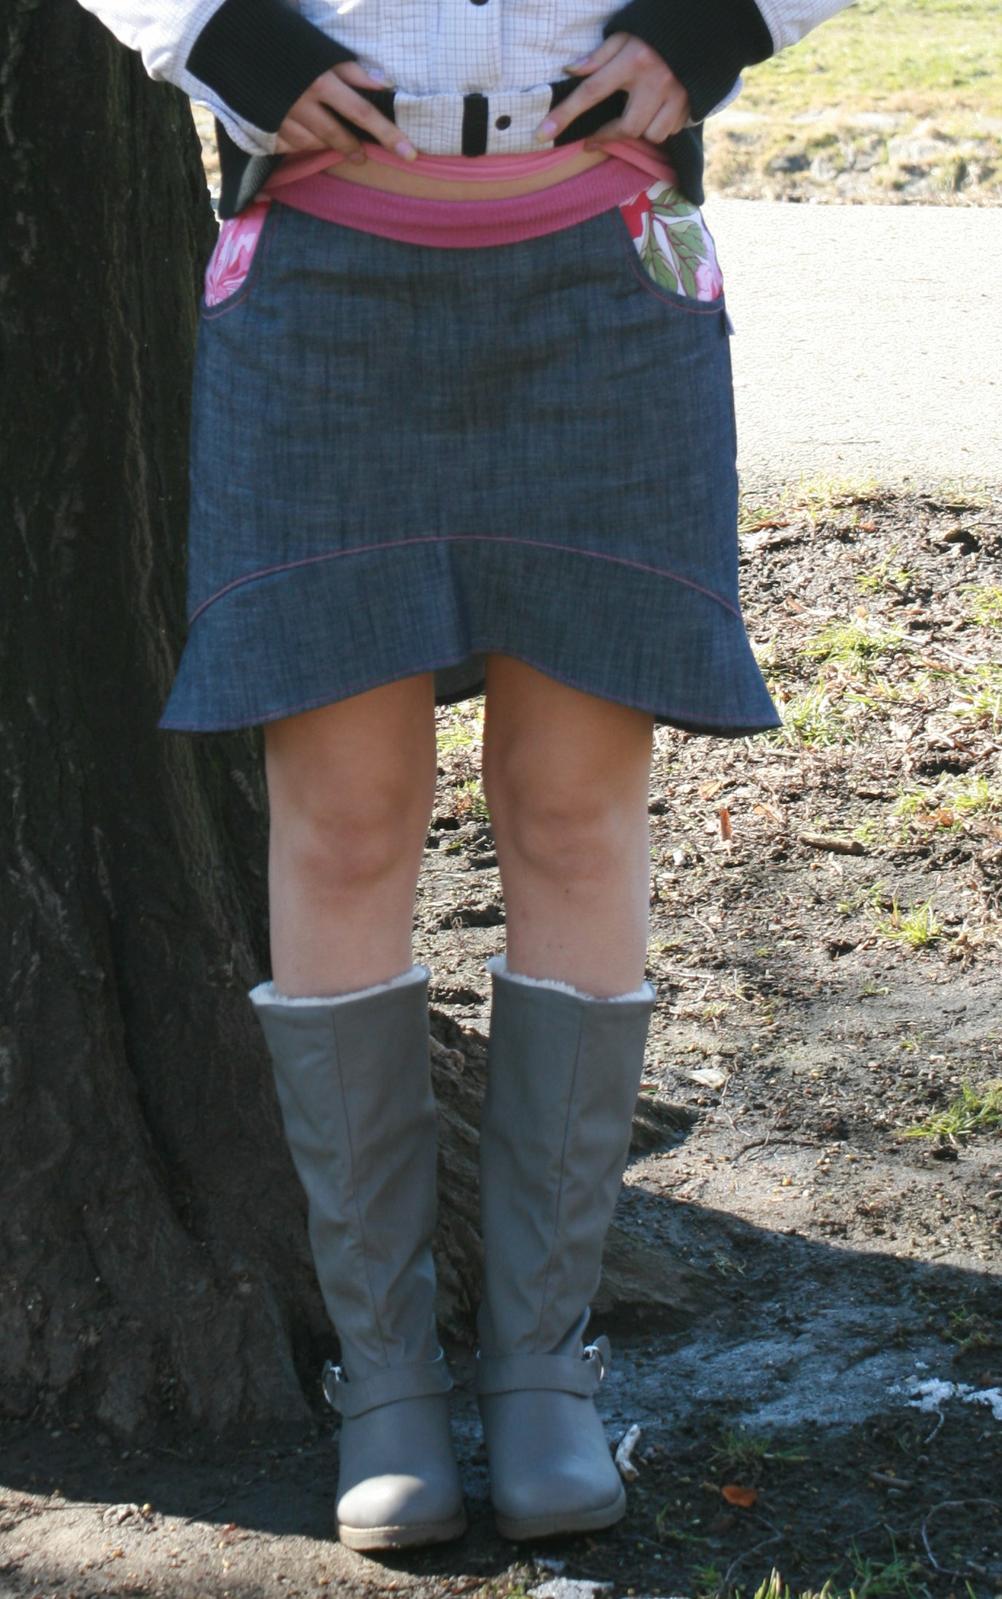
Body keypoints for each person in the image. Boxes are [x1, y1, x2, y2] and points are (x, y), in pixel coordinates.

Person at [77, 0, 851, 1553]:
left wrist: (721, 18)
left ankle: (541, 1366)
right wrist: (213, 31)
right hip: (317, 284)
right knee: (345, 827)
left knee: (571, 816)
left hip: (606, 279)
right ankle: (385, 1382)